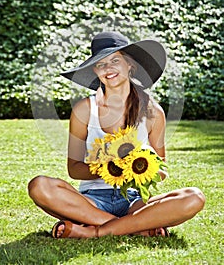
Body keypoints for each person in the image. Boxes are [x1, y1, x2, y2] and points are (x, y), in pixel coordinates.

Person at [28, 31, 205, 239]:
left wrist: (137, 167)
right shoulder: (84, 110)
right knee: (39, 186)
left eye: (115, 60)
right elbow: (74, 169)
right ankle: (135, 228)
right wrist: (109, 168)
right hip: (92, 201)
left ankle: (94, 231)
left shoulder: (153, 112)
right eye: (101, 64)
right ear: (95, 70)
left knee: (193, 197)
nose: (108, 69)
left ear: (130, 65)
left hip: (135, 202)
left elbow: (162, 171)